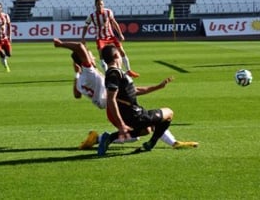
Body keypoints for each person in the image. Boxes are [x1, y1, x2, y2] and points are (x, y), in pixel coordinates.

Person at [53, 38, 198, 151]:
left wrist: (76, 73)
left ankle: (173, 142)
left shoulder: (80, 80)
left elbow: (77, 95)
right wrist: (60, 44)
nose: (93, 57)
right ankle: (102, 138)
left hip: (113, 105)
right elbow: (79, 47)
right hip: (115, 106)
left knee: (146, 128)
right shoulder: (91, 71)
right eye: (90, 55)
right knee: (135, 132)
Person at [97, 44, 198, 156]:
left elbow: (134, 90)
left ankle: (110, 138)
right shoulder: (113, 73)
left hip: (132, 113)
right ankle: (151, 143)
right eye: (121, 55)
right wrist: (121, 124)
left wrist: (158, 87)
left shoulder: (117, 72)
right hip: (133, 114)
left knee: (147, 130)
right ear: (116, 55)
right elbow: (111, 99)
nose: (122, 57)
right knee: (169, 113)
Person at [81, 0, 140, 77]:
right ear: (95, 5)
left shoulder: (108, 12)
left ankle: (129, 71)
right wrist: (83, 37)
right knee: (102, 55)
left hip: (111, 37)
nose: (100, 6)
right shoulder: (92, 16)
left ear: (103, 4)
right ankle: (107, 74)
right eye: (98, 4)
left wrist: (120, 34)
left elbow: (114, 23)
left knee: (122, 51)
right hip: (100, 38)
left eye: (101, 4)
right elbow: (86, 26)